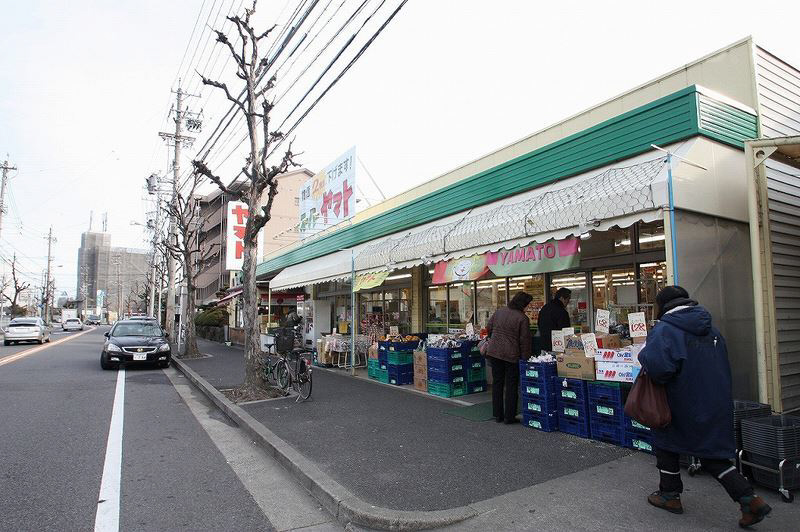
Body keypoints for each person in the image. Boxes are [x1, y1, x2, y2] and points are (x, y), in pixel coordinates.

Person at [638, 286, 771, 528]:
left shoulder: (666, 330)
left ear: (662, 305)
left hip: (679, 401)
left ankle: (670, 496)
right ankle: (749, 499)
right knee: (710, 454)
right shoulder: (712, 329)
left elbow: (659, 368)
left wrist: (643, 355)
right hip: (714, 400)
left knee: (666, 444)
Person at [486, 292, 533, 424]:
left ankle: (498, 415)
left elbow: (488, 327)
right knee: (511, 386)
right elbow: (525, 341)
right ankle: (509, 416)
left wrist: (495, 337)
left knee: (497, 383)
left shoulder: (499, 312)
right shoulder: (522, 318)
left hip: (494, 352)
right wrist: (525, 359)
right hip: (511, 355)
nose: (527, 307)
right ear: (523, 304)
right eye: (527, 304)